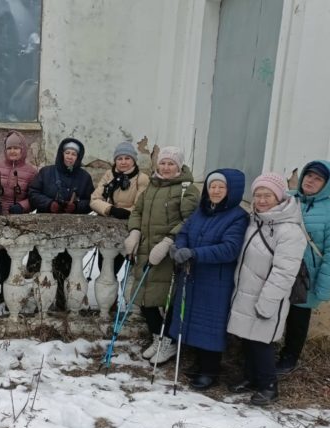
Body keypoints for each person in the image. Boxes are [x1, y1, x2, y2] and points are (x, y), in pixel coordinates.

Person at [227, 172, 306, 405]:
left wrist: (269, 300)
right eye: (258, 195)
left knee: (262, 342)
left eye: (267, 195)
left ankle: (269, 386)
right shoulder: (256, 221)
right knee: (247, 338)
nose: (261, 200)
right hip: (245, 291)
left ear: (279, 197)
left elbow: (284, 272)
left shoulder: (289, 231)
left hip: (267, 295)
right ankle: (252, 378)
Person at [166, 169, 249, 390]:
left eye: (221, 187)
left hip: (216, 280)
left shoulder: (238, 216)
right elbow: (185, 231)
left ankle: (210, 369)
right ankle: (198, 362)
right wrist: (180, 247)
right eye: (212, 186)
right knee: (191, 318)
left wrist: (195, 254)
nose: (216, 191)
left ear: (231, 191)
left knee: (211, 324)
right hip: (192, 275)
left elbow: (230, 249)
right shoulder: (201, 211)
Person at [123, 147, 199, 364]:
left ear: (179, 166)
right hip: (146, 250)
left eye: (171, 164)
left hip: (170, 254)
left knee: (167, 298)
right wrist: (134, 232)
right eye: (163, 163)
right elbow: (137, 211)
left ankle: (170, 341)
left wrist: (168, 241)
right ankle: (158, 337)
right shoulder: (151, 187)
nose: (165, 168)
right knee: (144, 297)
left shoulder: (188, 190)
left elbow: (190, 220)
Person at [277, 161, 330, 375]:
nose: (310, 180)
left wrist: (324, 287)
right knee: (273, 310)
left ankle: (289, 358)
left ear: (327, 184)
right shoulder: (287, 199)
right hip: (279, 267)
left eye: (318, 179)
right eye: (309, 175)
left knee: (298, 317)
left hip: (306, 275)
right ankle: (262, 352)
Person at [29, 138, 95, 309]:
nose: (70, 157)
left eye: (74, 154)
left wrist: (77, 206)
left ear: (78, 157)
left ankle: (61, 301)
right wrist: (49, 204)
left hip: (70, 231)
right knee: (43, 267)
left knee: (64, 269)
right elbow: (33, 193)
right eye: (67, 153)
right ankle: (41, 302)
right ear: (61, 154)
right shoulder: (46, 172)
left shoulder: (84, 177)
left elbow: (91, 200)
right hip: (45, 230)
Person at [0, 131, 38, 305]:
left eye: (16, 148)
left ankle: (15, 291)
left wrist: (22, 206)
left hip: (19, 220)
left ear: (23, 150)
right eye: (10, 148)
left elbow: (35, 196)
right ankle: (3, 291)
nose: (13, 151)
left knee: (16, 257)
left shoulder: (31, 172)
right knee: (2, 258)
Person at [91, 141, 149, 274]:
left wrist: (125, 213)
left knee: (122, 266)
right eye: (119, 158)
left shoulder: (142, 179)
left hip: (128, 226)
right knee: (105, 267)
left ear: (133, 160)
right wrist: (110, 209)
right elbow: (94, 199)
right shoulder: (109, 175)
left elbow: (140, 206)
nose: (123, 162)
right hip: (107, 225)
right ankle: (110, 295)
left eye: (127, 158)